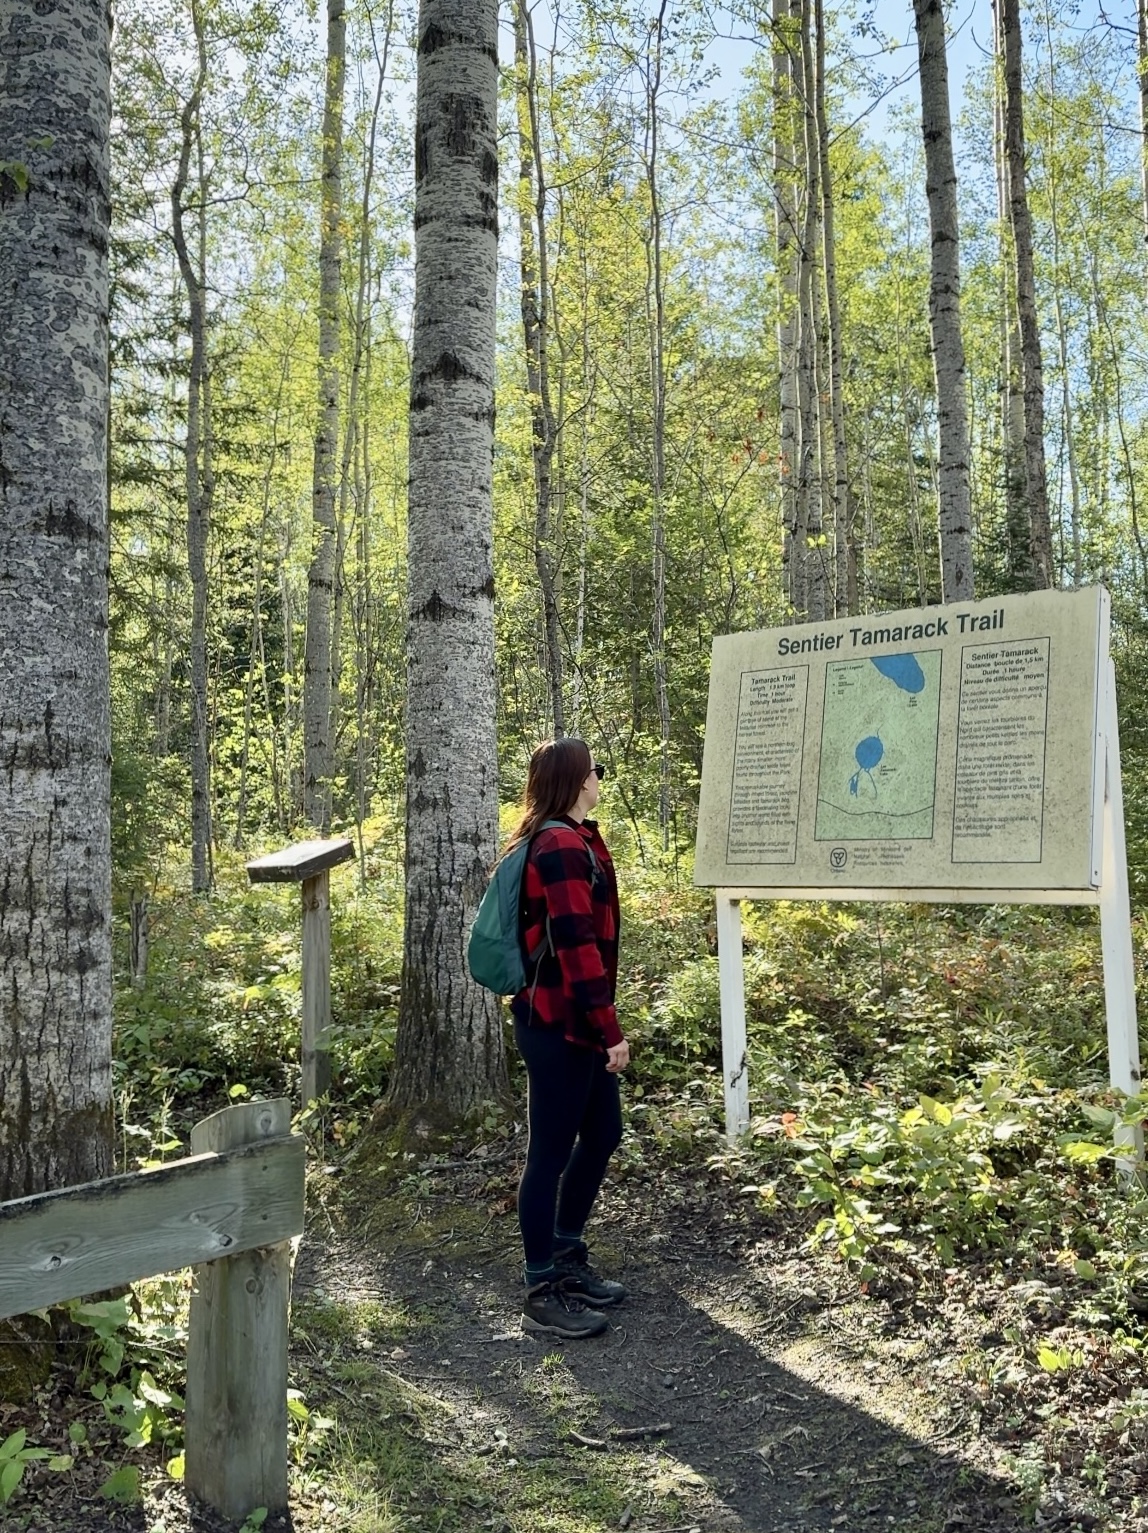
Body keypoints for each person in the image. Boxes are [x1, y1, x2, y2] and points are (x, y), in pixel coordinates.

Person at [503, 737, 630, 1340]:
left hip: (573, 1019)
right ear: (578, 780)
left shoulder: (574, 838)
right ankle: (540, 1287)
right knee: (549, 1154)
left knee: (604, 1132)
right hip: (558, 1023)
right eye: (595, 770)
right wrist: (610, 1031)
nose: (600, 777)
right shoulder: (556, 843)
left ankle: (566, 1254)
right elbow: (578, 949)